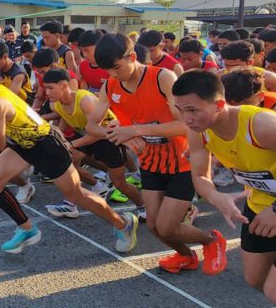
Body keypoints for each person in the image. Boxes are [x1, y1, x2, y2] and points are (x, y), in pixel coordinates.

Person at [0, 59, 139, 254]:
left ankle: (123, 224)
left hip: (46, 145)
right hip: (23, 143)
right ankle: (26, 229)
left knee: (76, 194)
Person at [92, 33, 226, 275]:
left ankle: (211, 240)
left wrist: (137, 130)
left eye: (116, 67)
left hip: (183, 162)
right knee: (154, 226)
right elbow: (92, 126)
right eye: (107, 70)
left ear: (132, 56)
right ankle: (187, 256)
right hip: (151, 163)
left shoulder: (162, 77)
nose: (113, 74)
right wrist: (119, 134)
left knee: (166, 227)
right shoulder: (109, 86)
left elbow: (187, 123)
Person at [172, 70, 272, 288]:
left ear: (218, 105)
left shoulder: (261, 125)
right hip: (258, 205)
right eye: (180, 110)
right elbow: (200, 175)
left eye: (192, 110)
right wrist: (215, 196)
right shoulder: (199, 131)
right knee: (256, 279)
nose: (186, 119)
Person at [43, 69, 144, 218]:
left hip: (108, 137)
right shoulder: (56, 104)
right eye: (45, 88)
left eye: (50, 88)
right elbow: (65, 116)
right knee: (65, 164)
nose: (47, 92)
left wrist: (70, 144)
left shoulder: (85, 100)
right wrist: (58, 136)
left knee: (119, 183)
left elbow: (95, 133)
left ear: (64, 85)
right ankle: (80, 198)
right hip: (85, 135)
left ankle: (142, 206)